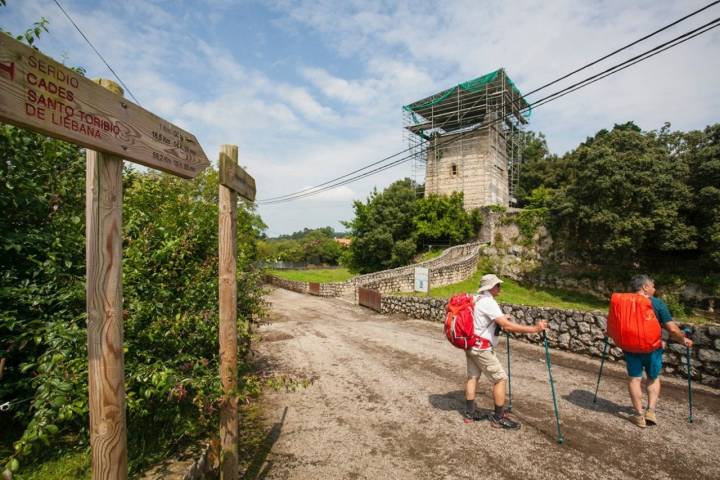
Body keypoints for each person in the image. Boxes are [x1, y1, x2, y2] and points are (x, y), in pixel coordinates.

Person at [464, 273, 548, 429]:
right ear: (490, 287)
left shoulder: (476, 299)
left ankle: (470, 412)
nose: (500, 287)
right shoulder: (489, 302)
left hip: (470, 344)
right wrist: (534, 329)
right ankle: (498, 418)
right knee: (500, 379)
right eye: (497, 285)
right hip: (482, 348)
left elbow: (484, 320)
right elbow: (507, 325)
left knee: (473, 376)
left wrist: (501, 318)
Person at [623, 274, 693, 428]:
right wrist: (683, 340)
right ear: (645, 287)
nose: (654, 289)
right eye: (653, 286)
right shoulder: (657, 303)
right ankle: (650, 412)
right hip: (652, 349)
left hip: (630, 348)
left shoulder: (623, 303)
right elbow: (673, 329)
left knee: (634, 379)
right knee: (653, 378)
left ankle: (639, 416)